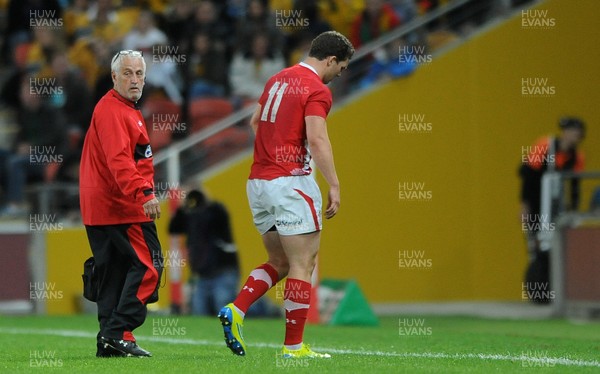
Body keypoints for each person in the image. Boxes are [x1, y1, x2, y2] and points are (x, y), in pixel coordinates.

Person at [218, 30, 354, 359]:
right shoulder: (316, 89)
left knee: (279, 262)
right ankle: (294, 346)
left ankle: (236, 310)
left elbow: (254, 122)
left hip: (259, 183)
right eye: (342, 67)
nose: (340, 74)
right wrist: (333, 183)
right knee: (302, 263)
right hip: (290, 182)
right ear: (331, 59)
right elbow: (317, 139)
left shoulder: (277, 79)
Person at [79, 50, 163, 357]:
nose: (135, 79)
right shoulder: (115, 111)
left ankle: (110, 339)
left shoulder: (120, 109)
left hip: (100, 207)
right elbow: (120, 161)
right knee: (149, 266)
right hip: (121, 205)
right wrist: (144, 193)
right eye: (127, 73)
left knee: (113, 274)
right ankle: (117, 332)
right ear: (114, 77)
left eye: (139, 73)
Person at [519, 116, 585, 303]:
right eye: (571, 131)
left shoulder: (577, 157)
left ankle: (558, 293)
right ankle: (539, 293)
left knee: (559, 249)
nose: (574, 136)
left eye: (577, 133)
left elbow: (575, 187)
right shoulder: (544, 146)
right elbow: (528, 177)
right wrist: (524, 206)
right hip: (537, 205)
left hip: (558, 209)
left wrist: (574, 213)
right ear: (564, 132)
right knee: (539, 248)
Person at [169, 190, 240, 315]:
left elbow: (221, 214)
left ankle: (231, 333)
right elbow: (173, 228)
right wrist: (184, 206)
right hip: (202, 275)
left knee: (223, 308)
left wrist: (206, 198)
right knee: (200, 312)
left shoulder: (215, 212)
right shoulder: (191, 218)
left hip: (223, 271)